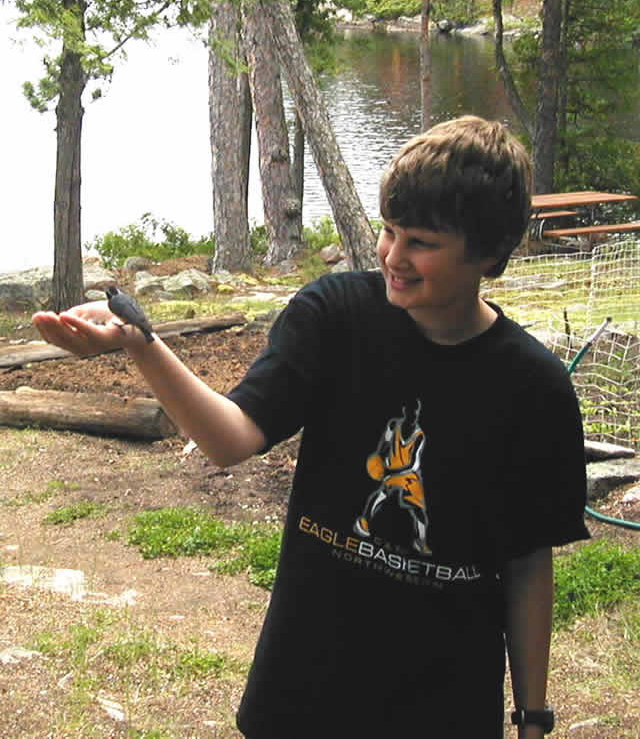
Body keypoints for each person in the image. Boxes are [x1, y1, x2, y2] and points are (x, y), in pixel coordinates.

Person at [33, 116, 589, 738]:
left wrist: (533, 718)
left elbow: (527, 563)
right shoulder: (335, 316)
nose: (393, 256)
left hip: (443, 702)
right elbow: (229, 438)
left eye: (421, 242)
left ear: (488, 251)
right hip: (303, 687)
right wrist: (141, 344)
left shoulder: (533, 387)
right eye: (388, 230)